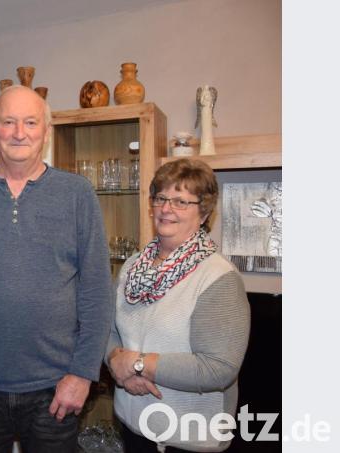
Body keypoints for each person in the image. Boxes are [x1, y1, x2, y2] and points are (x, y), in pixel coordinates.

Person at [0, 85, 113, 453]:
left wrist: (82, 374)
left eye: (30, 122)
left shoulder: (77, 194)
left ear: (46, 131)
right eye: (8, 122)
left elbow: (97, 293)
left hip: (56, 387)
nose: (19, 132)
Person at [105, 158, 250, 452]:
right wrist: (114, 361)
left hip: (187, 439)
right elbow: (108, 331)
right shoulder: (132, 266)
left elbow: (218, 368)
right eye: (161, 198)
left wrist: (137, 364)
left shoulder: (218, 276)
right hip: (133, 426)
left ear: (204, 212)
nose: (167, 208)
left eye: (181, 201)